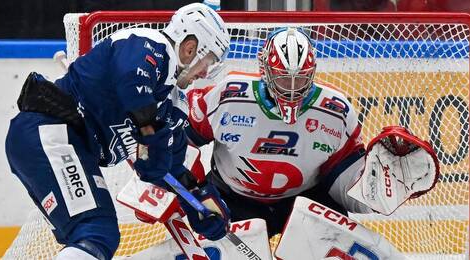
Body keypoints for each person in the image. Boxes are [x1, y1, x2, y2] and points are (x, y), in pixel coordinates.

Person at [5, 3, 230, 259]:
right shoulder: (149, 43)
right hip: (50, 131)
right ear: (191, 48)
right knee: (94, 232)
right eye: (208, 62)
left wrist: (197, 201)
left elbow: (169, 163)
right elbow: (132, 80)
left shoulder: (170, 103)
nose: (205, 74)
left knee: (92, 237)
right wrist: (149, 134)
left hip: (67, 146)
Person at [183, 27, 440, 237]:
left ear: (313, 72)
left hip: (302, 200)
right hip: (231, 198)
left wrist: (373, 189)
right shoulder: (228, 95)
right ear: (266, 71)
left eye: (302, 78)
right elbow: (183, 143)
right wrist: (194, 193)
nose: (293, 88)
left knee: (340, 243)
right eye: (284, 77)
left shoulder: (336, 111)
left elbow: (341, 182)